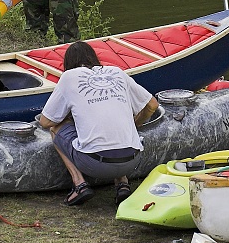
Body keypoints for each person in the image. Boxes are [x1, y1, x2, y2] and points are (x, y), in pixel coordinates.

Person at [37, 41, 160, 206]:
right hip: (132, 162)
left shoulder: (69, 77)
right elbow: (152, 104)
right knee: (117, 124)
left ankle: (79, 184)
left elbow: (45, 121)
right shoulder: (117, 72)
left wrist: (69, 118)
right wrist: (134, 124)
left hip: (96, 164)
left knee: (55, 128)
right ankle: (122, 184)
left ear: (68, 64)